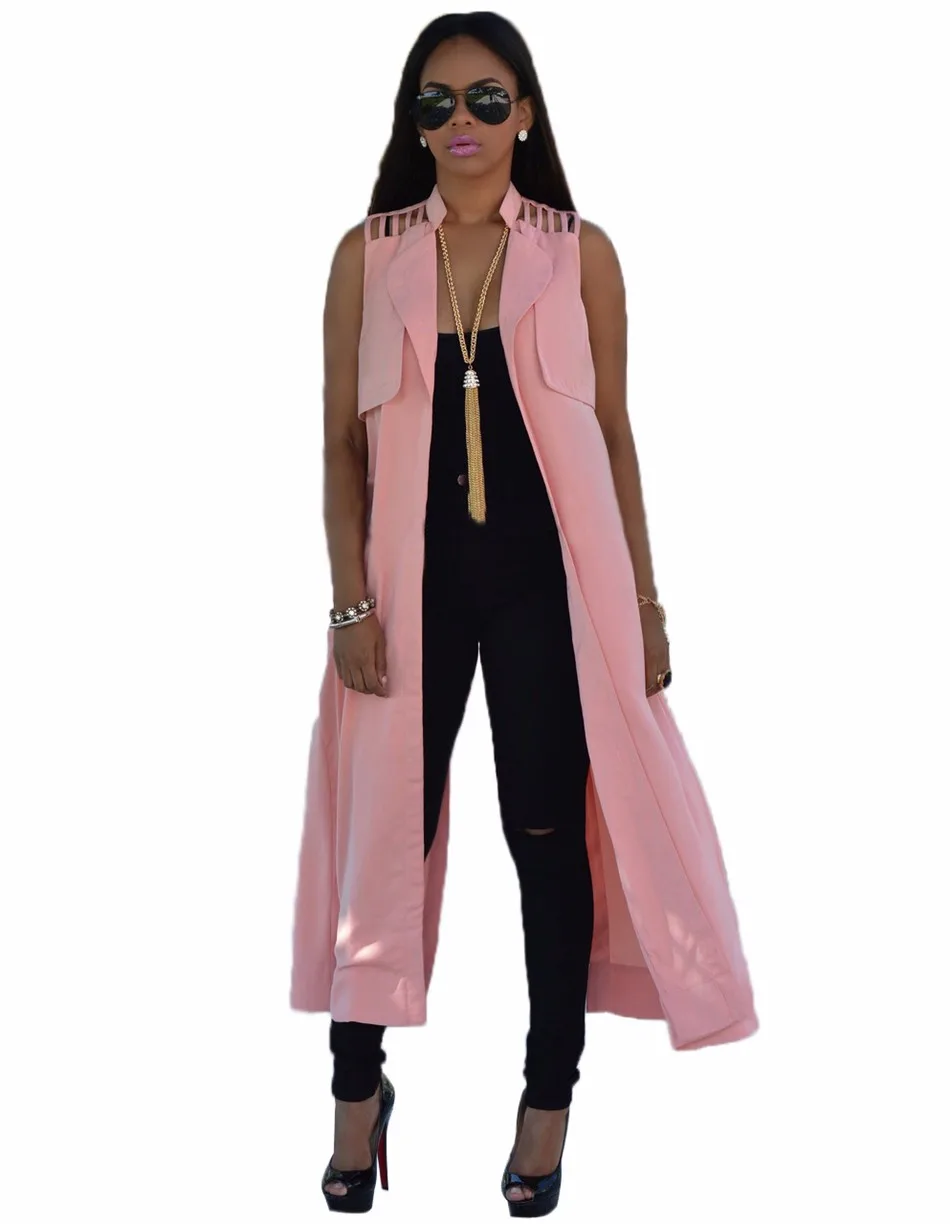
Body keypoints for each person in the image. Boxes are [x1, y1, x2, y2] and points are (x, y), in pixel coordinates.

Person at [290, 10, 758, 1217]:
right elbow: (338, 449)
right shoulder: (366, 258)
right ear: (412, 123)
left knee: (544, 834)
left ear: (526, 114)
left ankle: (547, 1096)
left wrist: (645, 601)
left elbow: (613, 437)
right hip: (408, 592)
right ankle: (355, 1091)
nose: (462, 122)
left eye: (486, 99)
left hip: (549, 591)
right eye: (436, 102)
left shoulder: (576, 252)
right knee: (384, 832)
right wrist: (347, 603)